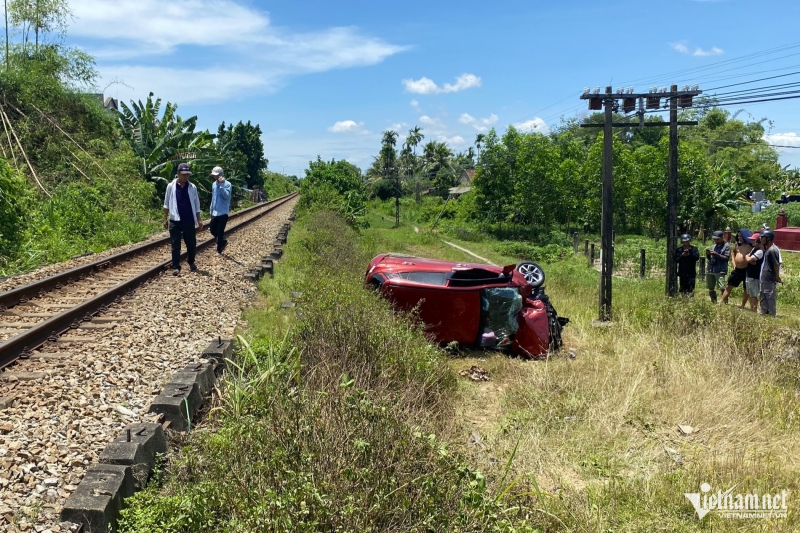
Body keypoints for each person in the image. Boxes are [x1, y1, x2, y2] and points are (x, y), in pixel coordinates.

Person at [163, 162, 202, 275]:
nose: (186, 177)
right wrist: (165, 219)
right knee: (175, 245)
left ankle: (191, 261)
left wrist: (199, 219)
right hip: (175, 220)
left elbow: (197, 204)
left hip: (188, 220)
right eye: (184, 174)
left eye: (187, 174)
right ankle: (176, 266)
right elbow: (166, 204)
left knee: (191, 244)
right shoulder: (171, 186)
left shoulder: (192, 187)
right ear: (178, 173)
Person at [720, 229, 754, 306]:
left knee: (746, 288)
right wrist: (733, 262)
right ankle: (721, 302)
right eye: (738, 236)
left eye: (741, 236)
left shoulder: (750, 246)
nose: (739, 238)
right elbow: (733, 252)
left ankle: (743, 305)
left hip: (746, 270)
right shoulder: (737, 245)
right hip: (737, 269)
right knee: (729, 285)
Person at [209, 166, 231, 254]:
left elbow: (227, 196)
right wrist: (211, 210)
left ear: (221, 175)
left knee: (220, 230)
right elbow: (213, 198)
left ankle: (219, 250)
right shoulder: (213, 184)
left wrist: (221, 186)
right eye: (214, 175)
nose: (215, 177)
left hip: (223, 212)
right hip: (215, 212)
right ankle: (222, 241)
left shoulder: (227, 184)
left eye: (217, 175)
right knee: (212, 230)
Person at [759, 230, 782, 316]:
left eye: (763, 237)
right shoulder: (767, 248)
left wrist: (777, 276)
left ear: (768, 239)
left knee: (769, 296)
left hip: (769, 276)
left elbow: (776, 264)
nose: (761, 239)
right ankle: (764, 312)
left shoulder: (772, 250)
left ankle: (771, 314)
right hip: (764, 276)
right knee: (763, 295)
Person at [705, 230, 731, 303]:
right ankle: (713, 301)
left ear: (722, 238)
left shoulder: (726, 246)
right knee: (710, 287)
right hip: (711, 269)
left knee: (722, 287)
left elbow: (726, 258)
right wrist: (708, 255)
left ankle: (725, 302)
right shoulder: (713, 246)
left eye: (717, 239)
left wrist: (716, 254)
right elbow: (710, 258)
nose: (716, 240)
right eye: (714, 239)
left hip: (720, 269)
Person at [745, 234, 764, 312]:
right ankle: (751, 308)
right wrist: (748, 258)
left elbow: (748, 259)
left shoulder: (760, 251)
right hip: (749, 274)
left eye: (753, 240)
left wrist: (748, 258)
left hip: (754, 276)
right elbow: (747, 256)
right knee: (750, 293)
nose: (751, 241)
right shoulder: (754, 249)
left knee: (754, 294)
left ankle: (754, 310)